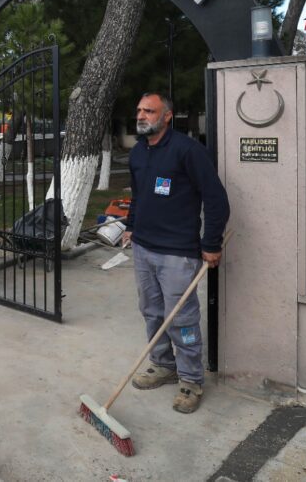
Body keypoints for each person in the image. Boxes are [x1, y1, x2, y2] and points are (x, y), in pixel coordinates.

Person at [122, 92, 229, 414]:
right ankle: (163, 364)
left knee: (181, 318)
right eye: (139, 110)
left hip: (178, 254)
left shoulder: (188, 151)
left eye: (149, 111)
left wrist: (210, 243)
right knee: (152, 313)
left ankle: (191, 381)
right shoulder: (139, 152)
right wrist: (130, 225)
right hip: (143, 248)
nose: (141, 116)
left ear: (167, 116)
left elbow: (216, 199)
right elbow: (139, 195)